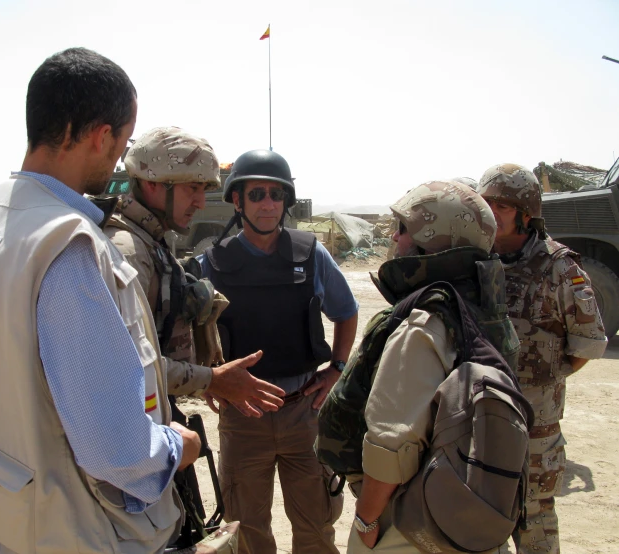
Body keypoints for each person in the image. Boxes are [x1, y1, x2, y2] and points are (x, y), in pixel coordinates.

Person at [0, 47, 200, 554]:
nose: (120, 153)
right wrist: (180, 444)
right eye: (123, 139)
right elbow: (114, 450)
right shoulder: (66, 248)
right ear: (101, 136)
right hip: (71, 530)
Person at [201, 149, 359, 554]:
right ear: (237, 200)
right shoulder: (212, 264)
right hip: (243, 418)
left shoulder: (311, 255)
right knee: (247, 531)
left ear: (286, 201)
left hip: (303, 412)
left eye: (276, 195)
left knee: (316, 527)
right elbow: (187, 325)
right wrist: (208, 377)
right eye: (256, 194)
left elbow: (346, 311)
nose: (268, 204)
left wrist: (337, 368)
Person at [346, 180, 514, 553]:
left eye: (403, 229)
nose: (395, 237)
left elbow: (393, 445)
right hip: (471, 512)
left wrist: (366, 520)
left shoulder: (425, 323)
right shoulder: (486, 311)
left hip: (413, 525)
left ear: (432, 242)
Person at [104, 127, 285, 417]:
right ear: (152, 183)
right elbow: (121, 366)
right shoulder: (127, 251)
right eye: (193, 188)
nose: (201, 202)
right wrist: (212, 381)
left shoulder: (150, 242)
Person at [477, 163, 608, 554]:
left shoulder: (559, 267)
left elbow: (585, 344)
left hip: (537, 422)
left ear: (526, 212)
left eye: (503, 204)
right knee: (480, 514)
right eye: (487, 203)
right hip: (480, 413)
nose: (493, 212)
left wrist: (544, 378)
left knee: (534, 520)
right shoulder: (472, 261)